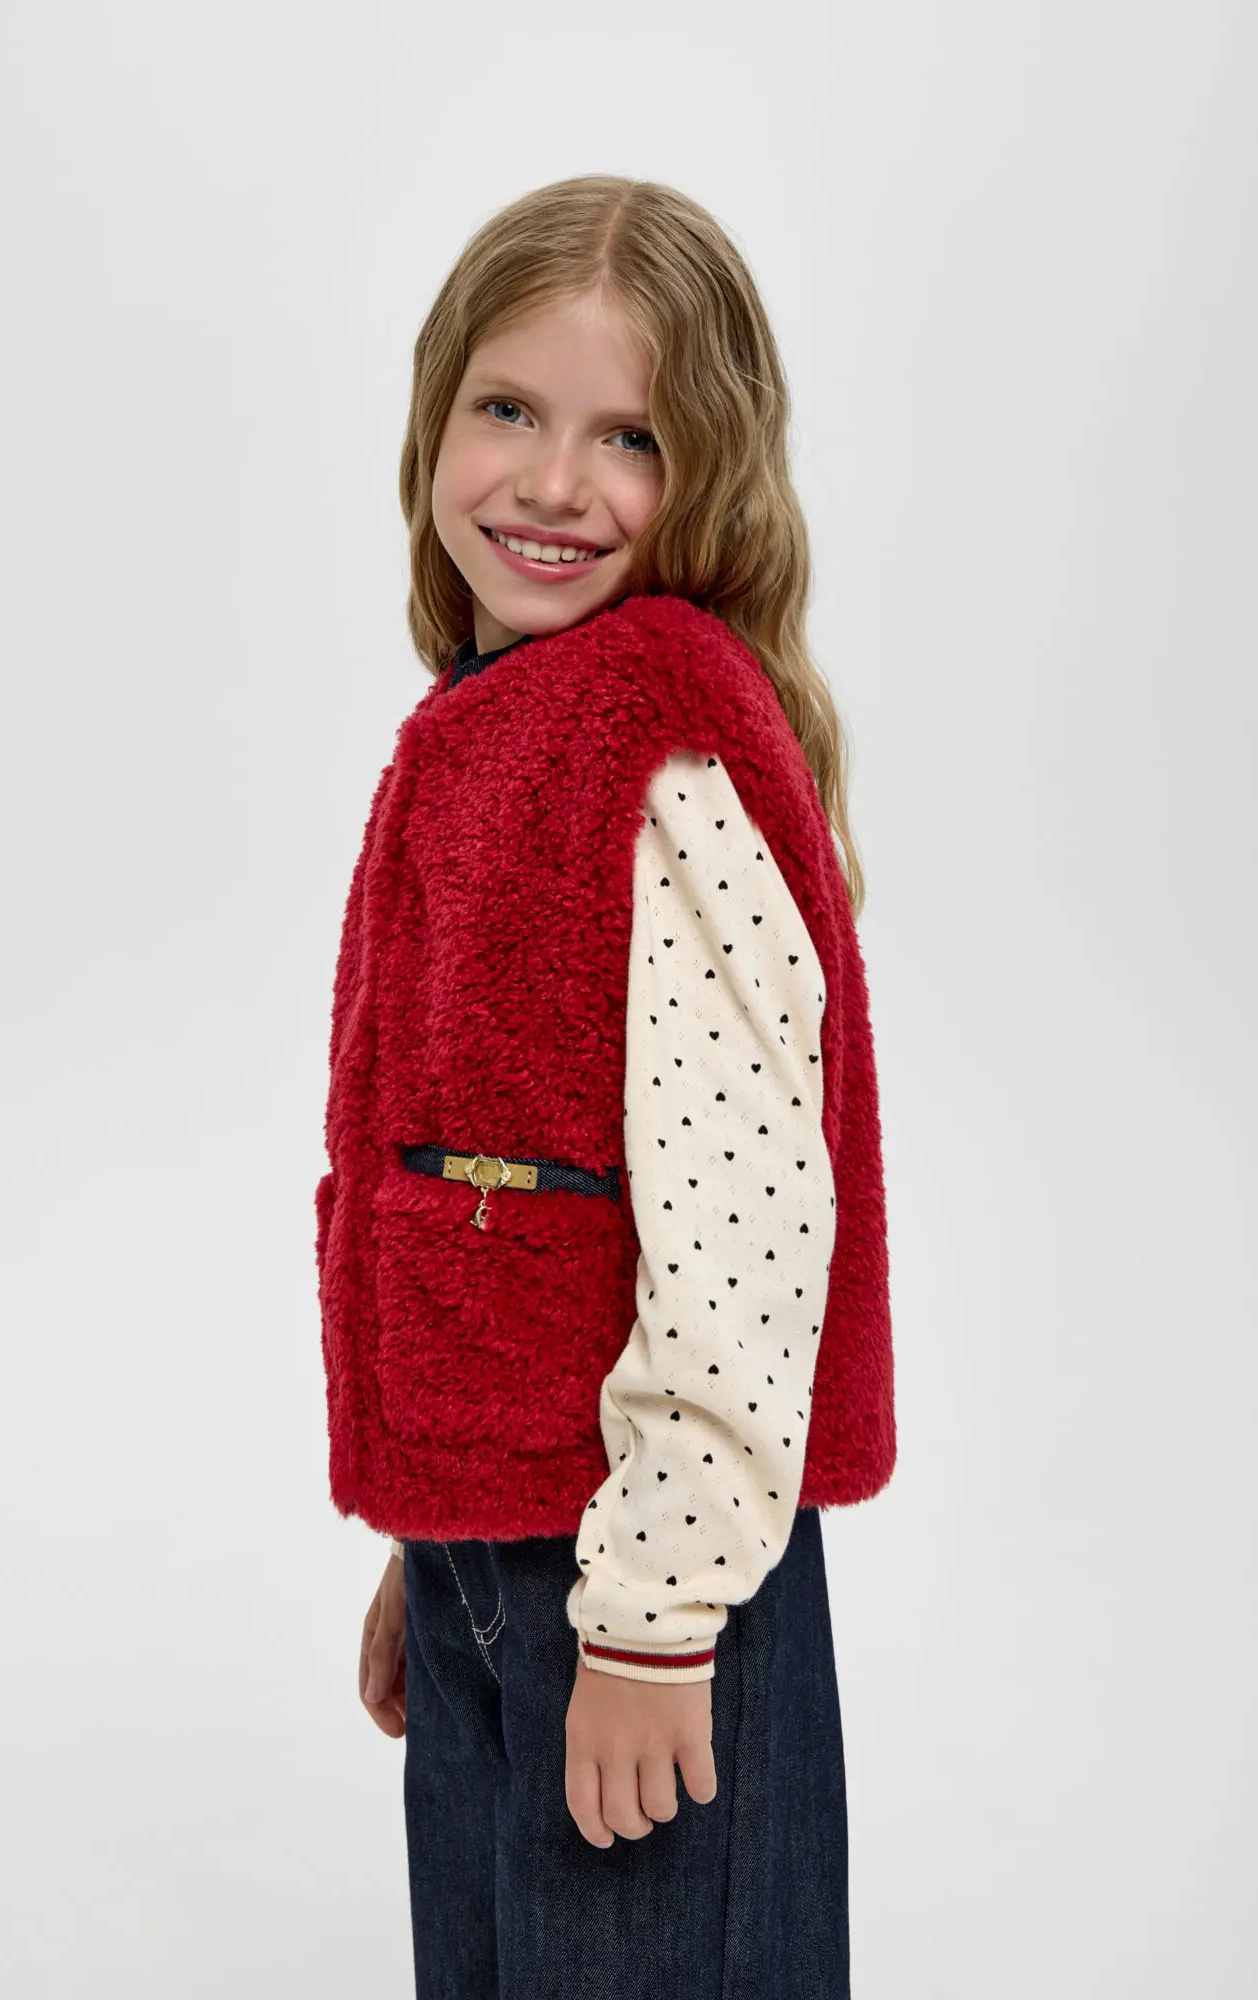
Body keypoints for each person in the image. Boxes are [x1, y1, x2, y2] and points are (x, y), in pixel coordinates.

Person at [314, 174, 896, 1997]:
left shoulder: (658, 748)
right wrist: (433, 1534)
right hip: (509, 1560)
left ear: (708, 471)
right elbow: (488, 1185)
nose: (553, 483)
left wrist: (648, 1622)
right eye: (507, 409)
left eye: (627, 436)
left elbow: (742, 1229)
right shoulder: (492, 719)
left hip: (649, 1585)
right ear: (435, 420)